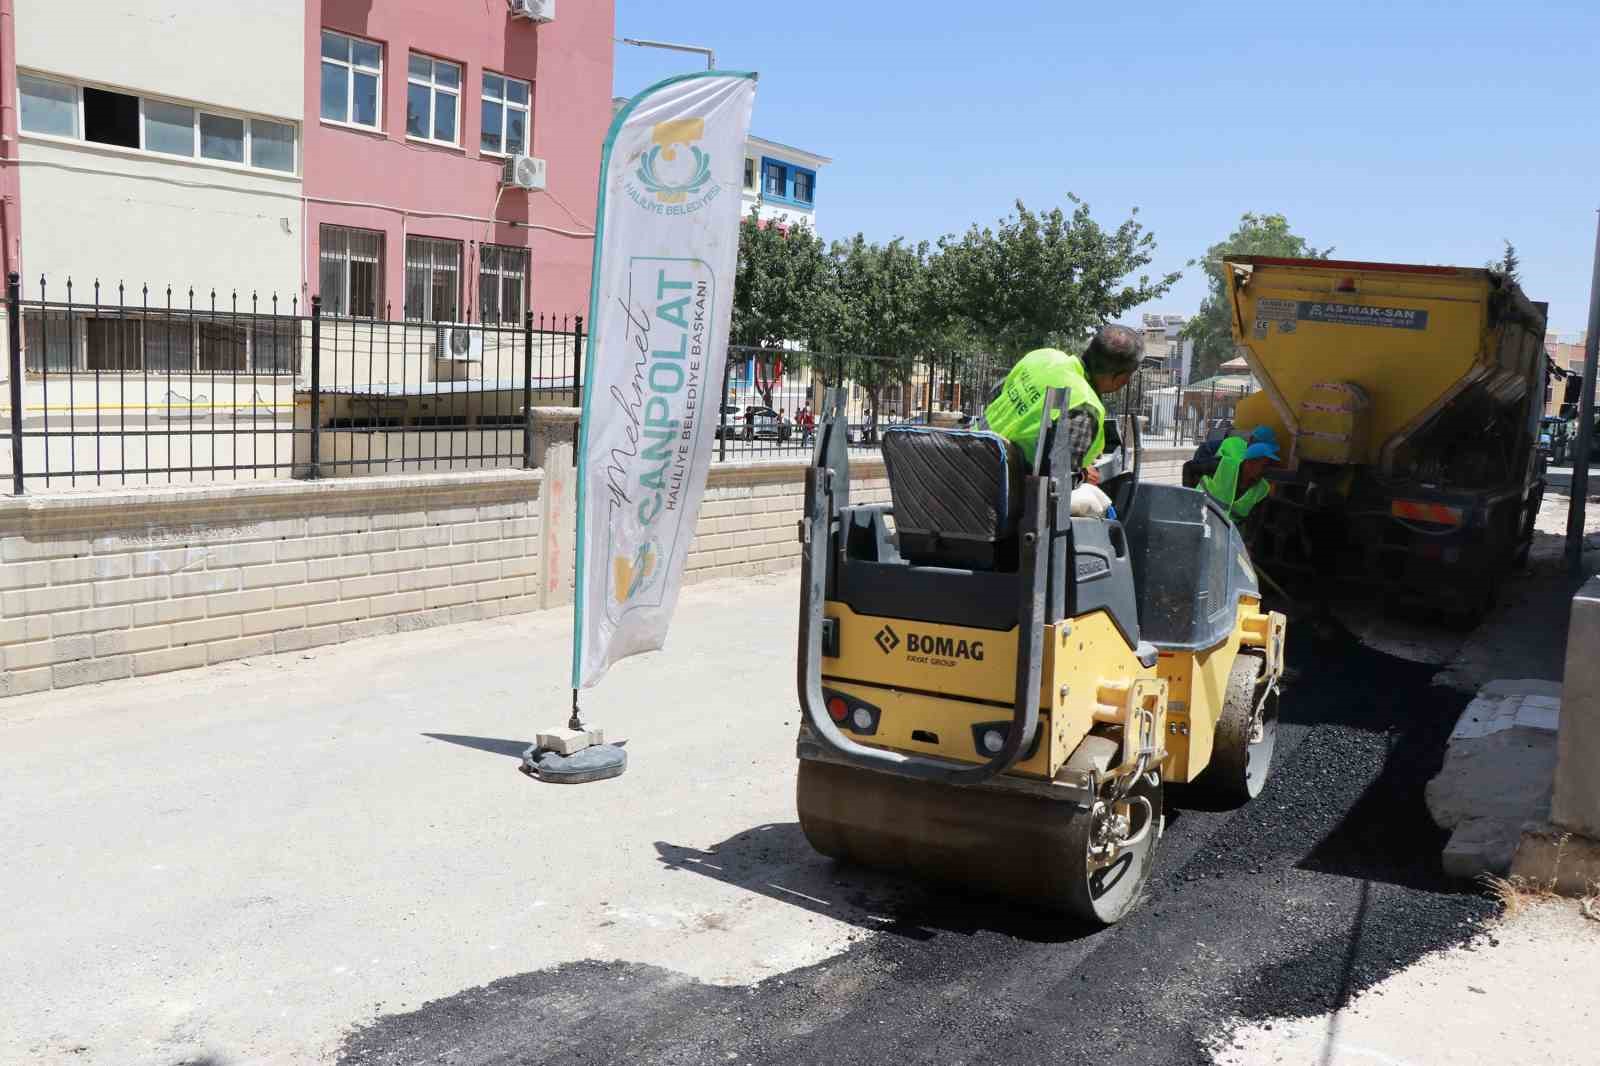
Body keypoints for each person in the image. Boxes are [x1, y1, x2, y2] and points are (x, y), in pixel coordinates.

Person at [980, 325, 1144, 516]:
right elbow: (1056, 485)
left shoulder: (1043, 357)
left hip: (969, 461)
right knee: (1102, 508)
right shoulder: (1084, 404)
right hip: (1005, 497)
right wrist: (1082, 476)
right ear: (1121, 378)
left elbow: (996, 397)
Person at [1201, 435, 1280, 522]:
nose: (1266, 470)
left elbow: (1252, 520)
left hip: (1224, 531)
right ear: (1250, 463)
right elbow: (1189, 468)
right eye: (1264, 466)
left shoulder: (1263, 488)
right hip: (1201, 517)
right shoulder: (1223, 466)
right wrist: (1190, 499)